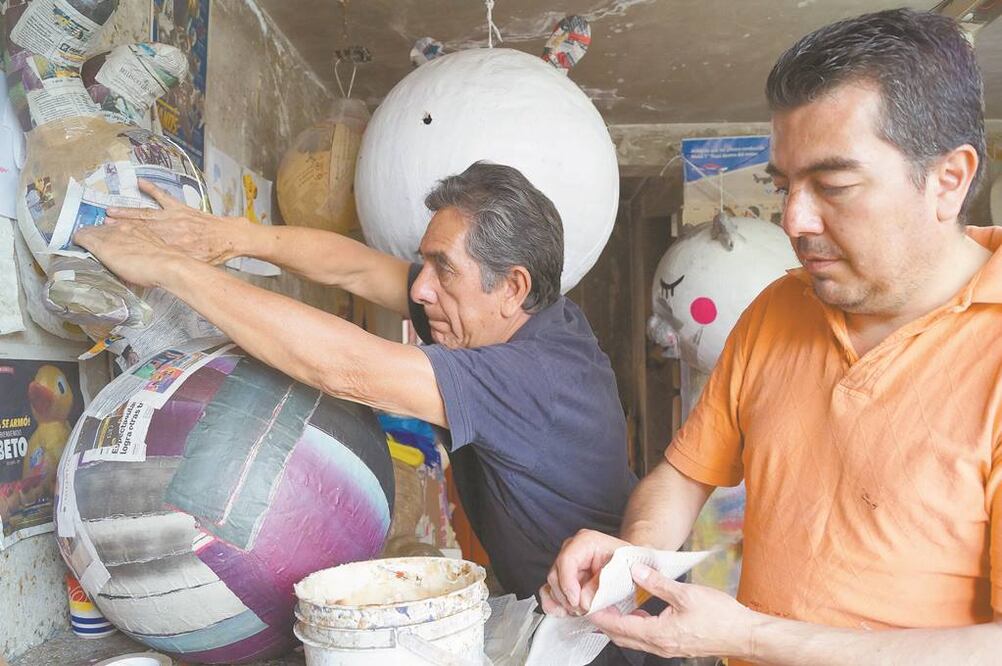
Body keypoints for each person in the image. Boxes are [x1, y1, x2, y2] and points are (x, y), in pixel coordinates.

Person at [542, 8, 1002, 664]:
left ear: (948, 181)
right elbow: (681, 474)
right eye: (783, 185)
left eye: (833, 185)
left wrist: (749, 636)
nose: (793, 219)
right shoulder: (779, 309)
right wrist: (636, 555)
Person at [75, 161, 637, 601]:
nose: (421, 290)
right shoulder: (522, 315)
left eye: (444, 269)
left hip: (600, 639)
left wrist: (170, 269)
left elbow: (345, 368)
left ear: (513, 287)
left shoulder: (534, 378)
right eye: (427, 264)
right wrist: (231, 237)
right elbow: (361, 269)